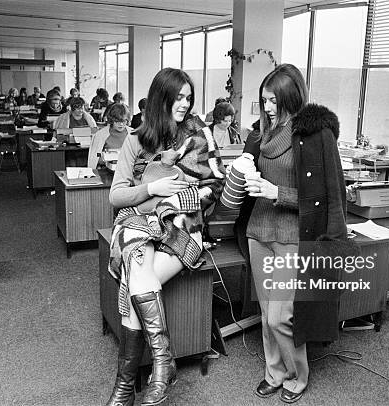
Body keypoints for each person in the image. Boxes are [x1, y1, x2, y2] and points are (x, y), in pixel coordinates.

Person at [104, 68, 225, 406]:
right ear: (161, 98)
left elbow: (216, 184)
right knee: (139, 267)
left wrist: (174, 201)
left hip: (183, 227)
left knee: (135, 286)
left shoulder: (199, 136)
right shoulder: (135, 140)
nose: (185, 104)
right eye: (179, 97)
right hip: (138, 225)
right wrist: (152, 188)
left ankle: (125, 386)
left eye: (189, 97)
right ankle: (162, 364)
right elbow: (116, 196)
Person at [239, 64, 347, 403]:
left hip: (292, 237)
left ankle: (298, 375)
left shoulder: (316, 136)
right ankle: (275, 373)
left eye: (274, 101)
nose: (267, 108)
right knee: (265, 314)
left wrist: (277, 193)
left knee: (281, 316)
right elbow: (251, 168)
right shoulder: (261, 133)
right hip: (259, 231)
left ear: (291, 98)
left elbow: (327, 197)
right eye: (263, 101)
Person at [88, 102, 131, 168]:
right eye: (117, 121)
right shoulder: (101, 135)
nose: (121, 124)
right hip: (107, 169)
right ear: (112, 120)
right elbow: (96, 155)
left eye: (124, 121)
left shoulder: (133, 134)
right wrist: (104, 156)